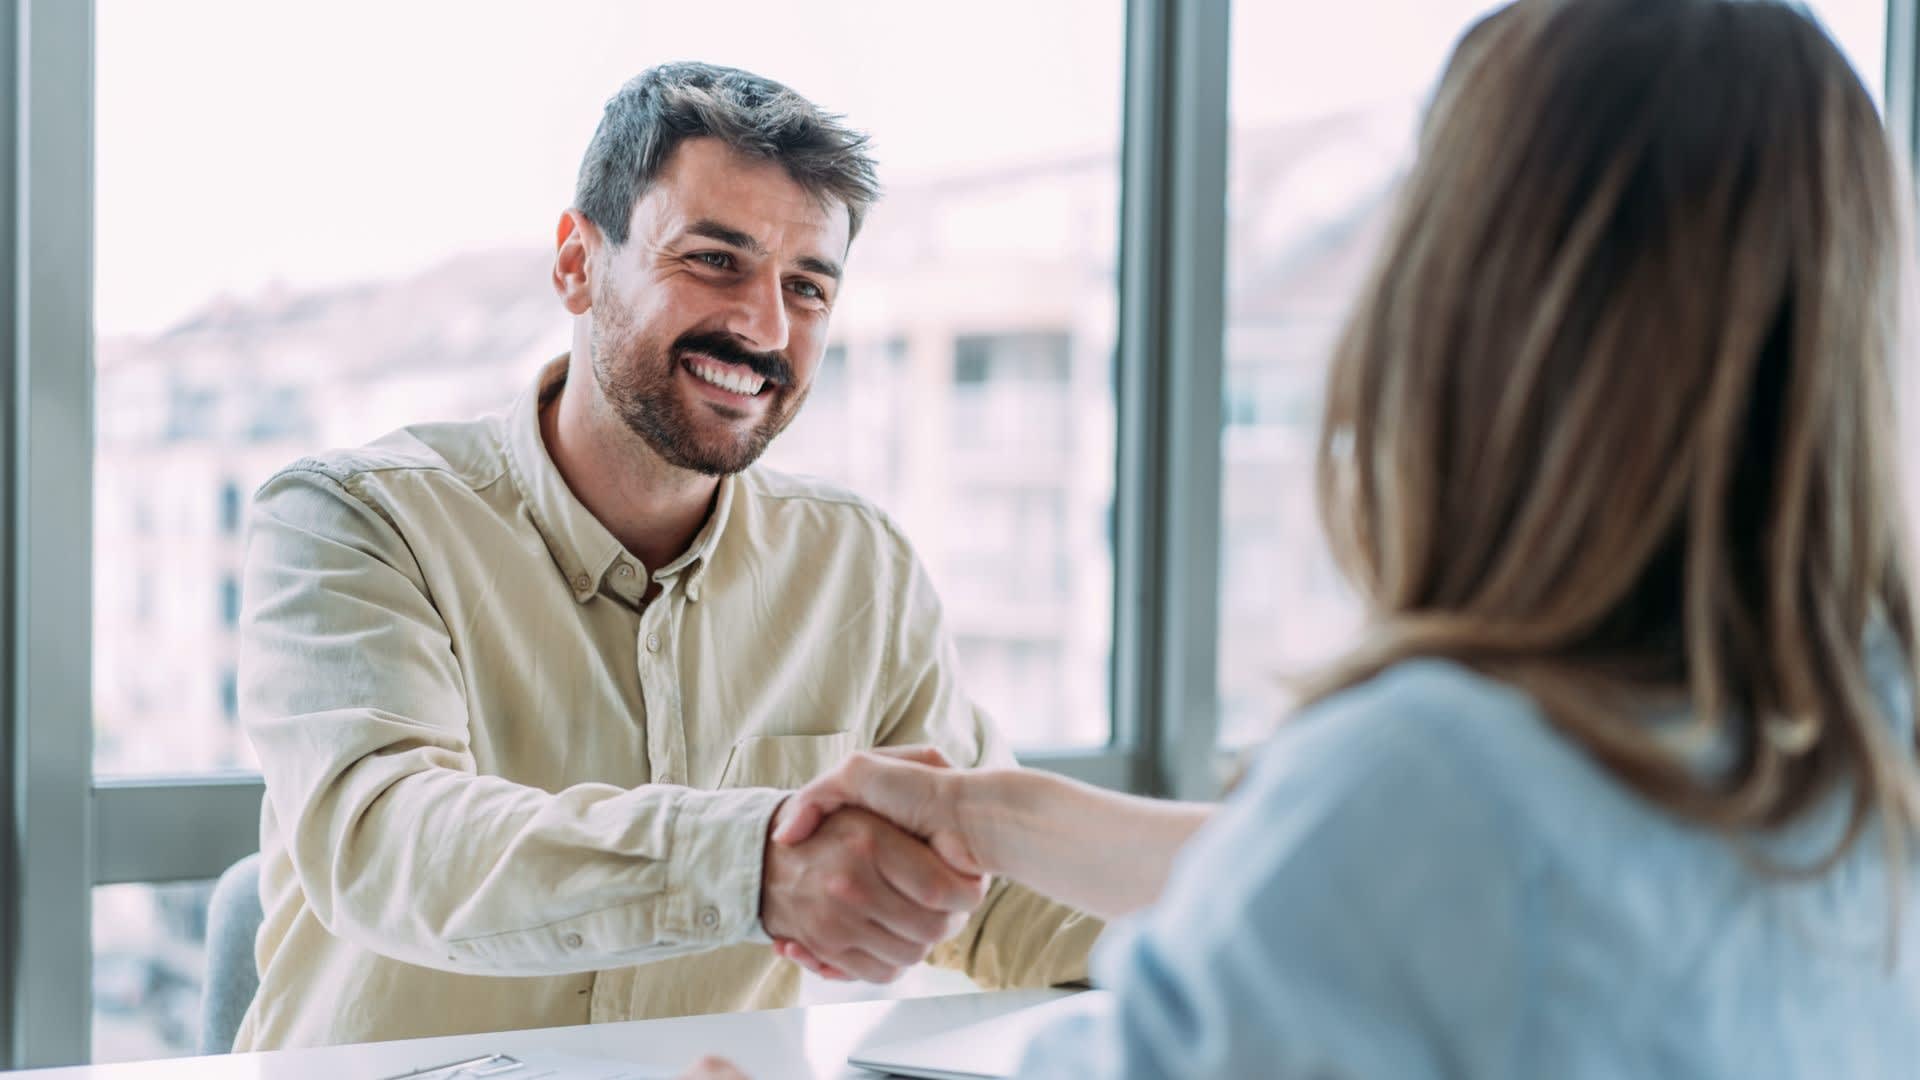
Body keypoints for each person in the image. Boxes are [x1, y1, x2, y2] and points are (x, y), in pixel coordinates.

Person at [685, 0, 1920, 1075]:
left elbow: (1377, 862)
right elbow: (1333, 873)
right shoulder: (1862, 735)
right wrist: (994, 819)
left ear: (1473, 305)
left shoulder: (1435, 778)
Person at [232, 62, 1099, 1051]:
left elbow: (986, 888)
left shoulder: (855, 567)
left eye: (807, 287)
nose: (765, 325)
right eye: (714, 260)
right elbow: (388, 844)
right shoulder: (352, 520)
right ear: (577, 264)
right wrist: (753, 865)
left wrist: (1238, 930)